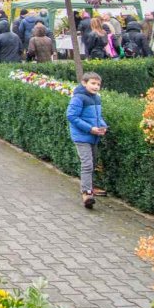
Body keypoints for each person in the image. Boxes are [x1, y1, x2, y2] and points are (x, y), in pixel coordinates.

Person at [67, 72, 108, 209]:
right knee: (87, 164)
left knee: (93, 162)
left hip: (93, 136)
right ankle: (87, 193)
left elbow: (98, 116)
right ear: (84, 83)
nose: (96, 87)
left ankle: (90, 186)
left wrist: (102, 125)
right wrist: (90, 129)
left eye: (98, 84)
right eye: (93, 83)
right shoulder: (78, 98)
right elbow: (72, 116)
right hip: (82, 136)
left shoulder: (96, 98)